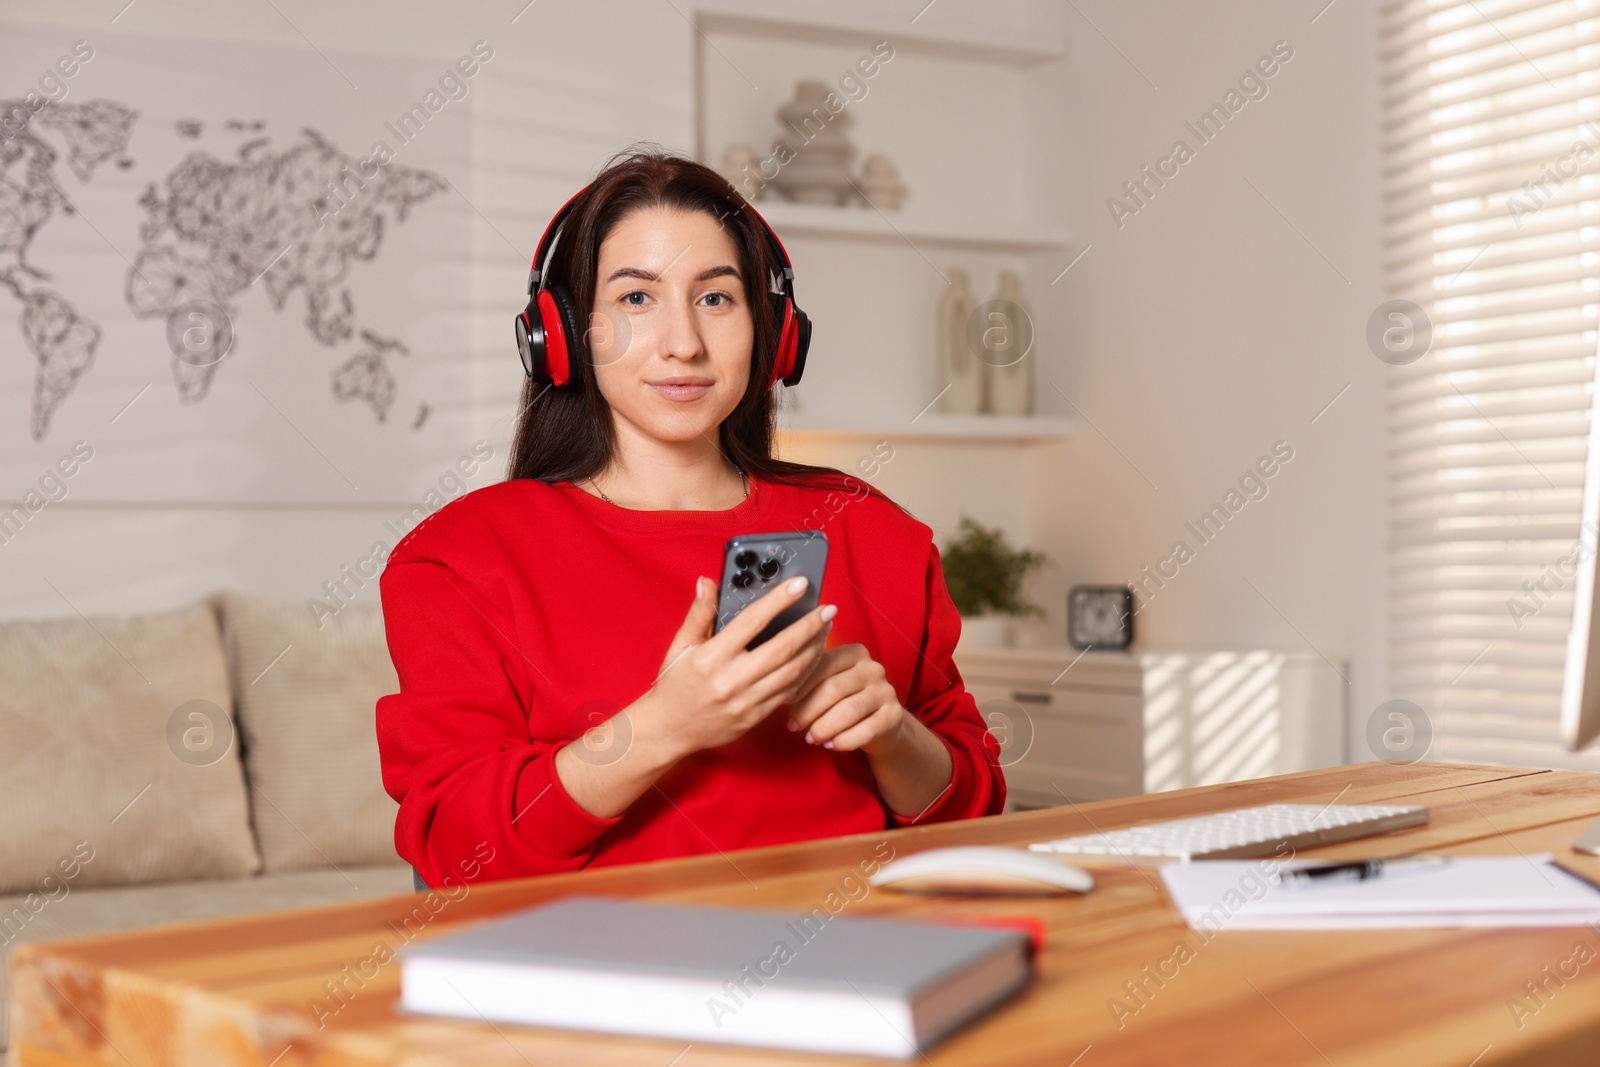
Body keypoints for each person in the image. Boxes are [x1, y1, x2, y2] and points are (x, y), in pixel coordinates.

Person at [376, 147, 1005, 889]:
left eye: (716, 297)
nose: (684, 342)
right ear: (564, 332)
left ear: (772, 331)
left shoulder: (874, 532)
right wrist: (662, 727)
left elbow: (975, 814)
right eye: (636, 299)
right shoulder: (461, 557)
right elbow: (457, 848)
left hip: (860, 955)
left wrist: (893, 735)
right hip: (608, 976)